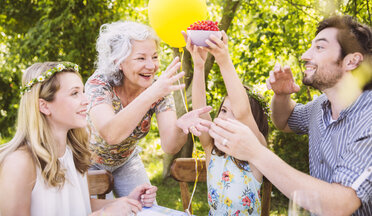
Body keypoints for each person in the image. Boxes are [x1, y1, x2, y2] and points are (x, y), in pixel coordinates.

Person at [208, 15, 372, 215]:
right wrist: (282, 96)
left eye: (319, 47)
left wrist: (256, 152)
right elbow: (284, 121)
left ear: (352, 61)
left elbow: (340, 204)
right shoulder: (321, 106)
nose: (305, 55)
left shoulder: (368, 118)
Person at [0, 62, 157, 216]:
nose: (86, 100)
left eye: (83, 91)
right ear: (44, 106)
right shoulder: (20, 163)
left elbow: (81, 204)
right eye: (75, 93)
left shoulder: (73, 152)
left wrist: (127, 201)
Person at [85, 21, 212, 197]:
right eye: (141, 58)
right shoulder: (100, 83)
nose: (152, 66)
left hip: (125, 162)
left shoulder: (159, 88)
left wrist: (182, 128)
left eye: (154, 57)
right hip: (85, 161)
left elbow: (170, 146)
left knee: (147, 209)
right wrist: (152, 93)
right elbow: (111, 134)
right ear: (118, 61)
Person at [180, 31, 268, 215]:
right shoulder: (211, 149)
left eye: (235, 115)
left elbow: (244, 113)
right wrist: (198, 66)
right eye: (224, 111)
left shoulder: (257, 155)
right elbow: (199, 110)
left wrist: (223, 59)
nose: (226, 118)